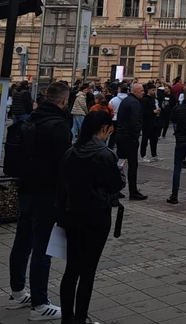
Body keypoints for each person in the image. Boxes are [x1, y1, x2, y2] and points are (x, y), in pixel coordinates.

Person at [8, 82, 72, 321]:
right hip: (47, 193)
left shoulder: (31, 119)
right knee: (42, 249)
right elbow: (64, 165)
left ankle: (17, 293)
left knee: (22, 241)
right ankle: (40, 304)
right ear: (64, 100)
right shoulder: (59, 126)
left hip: (26, 188)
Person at [56, 110, 124, 324]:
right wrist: (120, 171)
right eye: (109, 131)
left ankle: (67, 318)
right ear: (104, 129)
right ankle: (81, 318)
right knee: (88, 270)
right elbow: (117, 184)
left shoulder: (71, 152)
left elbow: (61, 187)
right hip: (97, 216)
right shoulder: (105, 154)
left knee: (72, 269)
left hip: (73, 214)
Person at [115, 83, 147, 201]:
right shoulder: (135, 103)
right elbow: (135, 121)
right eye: (141, 91)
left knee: (120, 162)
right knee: (133, 165)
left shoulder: (125, 101)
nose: (143, 92)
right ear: (135, 91)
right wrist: (136, 134)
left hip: (120, 135)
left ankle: (115, 189)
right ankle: (133, 191)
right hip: (129, 137)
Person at [139, 85, 160, 163]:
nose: (154, 92)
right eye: (153, 90)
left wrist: (157, 111)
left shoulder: (153, 99)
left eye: (155, 90)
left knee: (154, 140)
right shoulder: (144, 99)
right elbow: (143, 112)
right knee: (145, 139)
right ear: (148, 90)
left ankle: (154, 155)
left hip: (154, 122)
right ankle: (143, 155)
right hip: (146, 123)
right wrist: (153, 111)